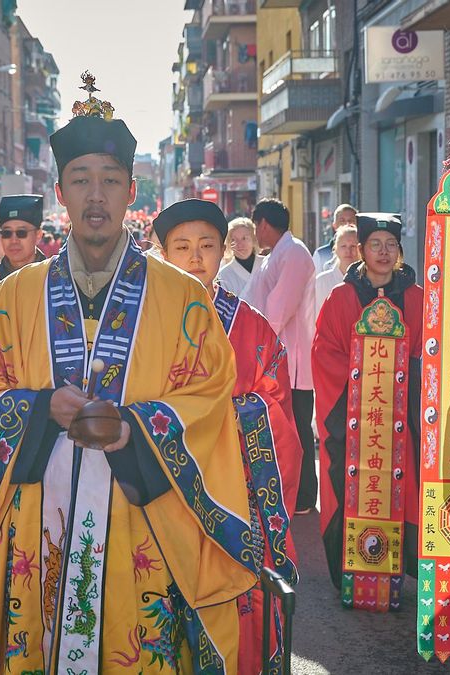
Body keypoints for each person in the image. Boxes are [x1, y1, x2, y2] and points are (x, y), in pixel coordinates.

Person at [0, 75, 256, 674]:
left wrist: (135, 426)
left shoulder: (184, 300)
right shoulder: (10, 300)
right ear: (60, 192)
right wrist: (37, 409)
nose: (96, 195)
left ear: (131, 191)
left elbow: (209, 395)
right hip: (38, 530)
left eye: (111, 181)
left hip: (144, 528)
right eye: (82, 180)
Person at [153, 198, 300, 674]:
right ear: (162, 253)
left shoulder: (252, 325)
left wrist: (218, 418)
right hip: (157, 495)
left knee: (239, 617)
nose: (195, 257)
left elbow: (278, 409)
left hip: (235, 499)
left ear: (224, 252)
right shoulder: (141, 326)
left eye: (206, 246)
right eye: (182, 247)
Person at [311, 213, 422, 604]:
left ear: (400, 251)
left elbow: (429, 353)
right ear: (360, 250)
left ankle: (394, 566)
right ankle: (351, 569)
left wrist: (404, 372)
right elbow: (324, 353)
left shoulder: (415, 297)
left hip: (400, 419)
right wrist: (363, 376)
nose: (383, 252)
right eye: (375, 244)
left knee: (402, 484)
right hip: (353, 419)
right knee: (350, 486)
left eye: (391, 245)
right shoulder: (341, 298)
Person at [243, 198, 318, 514]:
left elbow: (277, 311)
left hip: (291, 359)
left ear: (262, 224)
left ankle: (302, 497)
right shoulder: (279, 254)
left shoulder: (294, 254)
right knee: (285, 427)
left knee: (297, 427)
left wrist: (250, 338)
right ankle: (291, 493)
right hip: (275, 355)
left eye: (254, 227)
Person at [311, 225, 360, 325]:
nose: (348, 251)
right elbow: (315, 319)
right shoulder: (321, 281)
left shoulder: (369, 281)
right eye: (343, 246)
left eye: (353, 246)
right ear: (335, 249)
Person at [216, 217, 260, 296]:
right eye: (234, 240)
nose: (240, 244)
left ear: (254, 239)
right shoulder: (224, 274)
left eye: (244, 238)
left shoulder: (267, 264)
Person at [311, 203, 357, 273]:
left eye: (351, 221)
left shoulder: (364, 252)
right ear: (334, 225)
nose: (347, 224)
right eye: (342, 221)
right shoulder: (320, 254)